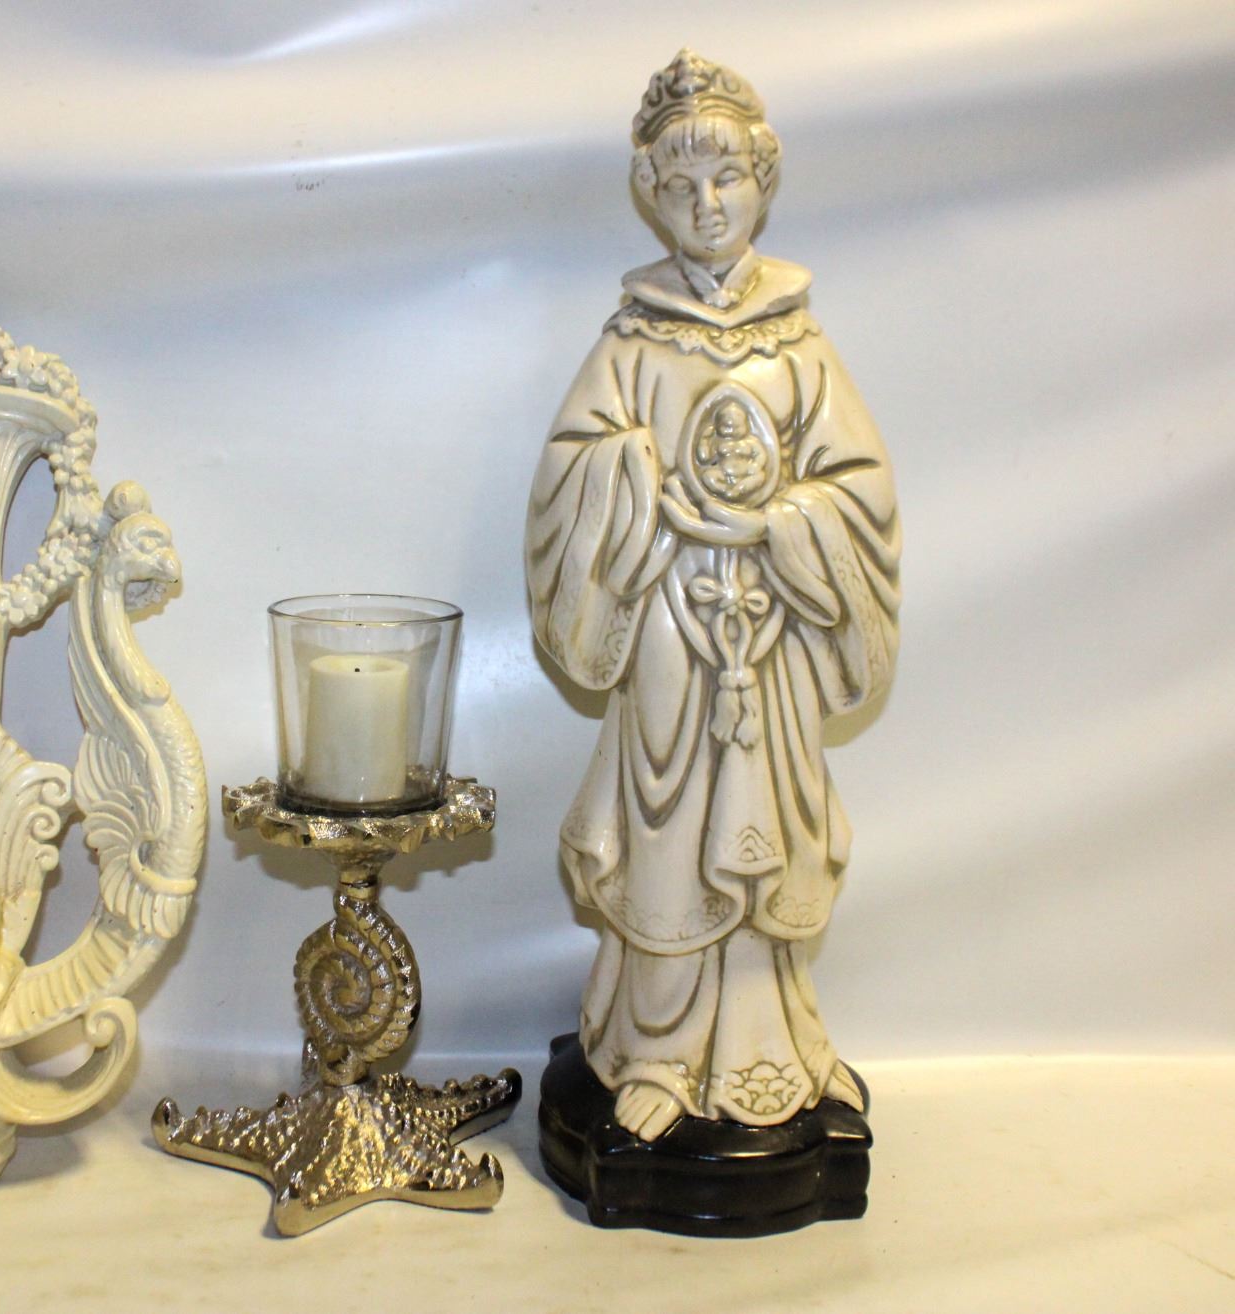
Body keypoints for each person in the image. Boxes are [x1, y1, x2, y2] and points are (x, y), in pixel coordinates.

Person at [524, 50, 901, 1142]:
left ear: (763, 179)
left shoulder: (799, 343)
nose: (707, 204)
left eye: (727, 178)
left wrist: (786, 524)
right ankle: (655, 1045)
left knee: (770, 826)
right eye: (681, 184)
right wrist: (636, 479)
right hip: (667, 639)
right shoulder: (632, 341)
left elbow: (860, 491)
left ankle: (774, 1045)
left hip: (769, 638)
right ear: (649, 192)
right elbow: (569, 479)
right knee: (668, 829)